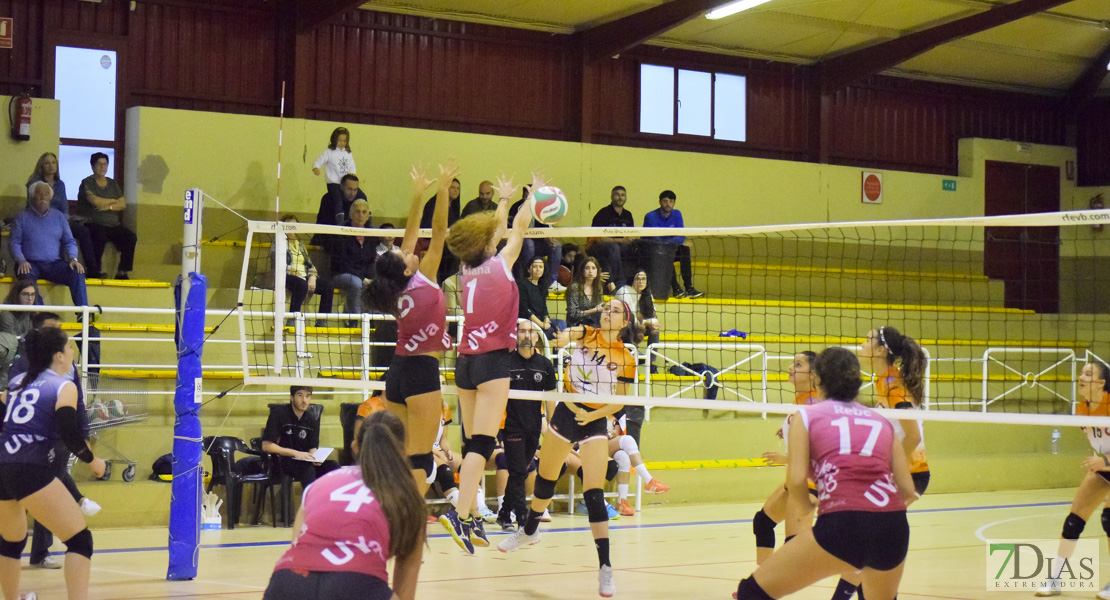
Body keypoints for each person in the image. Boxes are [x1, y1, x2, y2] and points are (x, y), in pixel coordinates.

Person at [735, 347, 917, 600]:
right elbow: (908, 490)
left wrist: (808, 505)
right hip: (894, 527)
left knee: (751, 593)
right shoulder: (881, 420)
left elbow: (797, 479)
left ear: (818, 380)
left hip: (844, 522)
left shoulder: (807, 416)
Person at [498, 298, 643, 598]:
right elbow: (576, 331)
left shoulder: (627, 358)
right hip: (565, 413)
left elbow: (620, 401)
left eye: (614, 310)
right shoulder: (588, 334)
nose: (607, 312)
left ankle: (605, 568)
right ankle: (529, 530)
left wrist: (592, 415)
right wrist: (564, 335)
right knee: (545, 480)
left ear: (624, 322)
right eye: (605, 308)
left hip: (592, 421)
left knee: (594, 493)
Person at [438, 173, 535, 555]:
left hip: (465, 362)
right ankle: (461, 514)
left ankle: (474, 517)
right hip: (493, 361)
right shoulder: (501, 266)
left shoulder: (465, 270)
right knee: (482, 441)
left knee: (472, 440)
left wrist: (504, 200)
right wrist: (528, 197)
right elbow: (518, 230)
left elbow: (495, 232)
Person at [363, 161, 458, 493]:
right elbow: (440, 230)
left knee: (404, 456)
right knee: (420, 459)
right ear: (405, 270)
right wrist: (443, 190)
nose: (410, 252)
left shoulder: (396, 285)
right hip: (421, 371)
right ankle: (409, 526)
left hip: (397, 373)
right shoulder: (426, 277)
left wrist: (418, 194)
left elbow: (412, 231)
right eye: (406, 256)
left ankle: (389, 521)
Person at [262, 411, 424, 600]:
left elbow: (297, 541)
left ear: (355, 447)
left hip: (287, 582)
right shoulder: (408, 497)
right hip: (354, 584)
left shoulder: (318, 485)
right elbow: (406, 587)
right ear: (406, 451)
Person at [0, 327, 107, 600]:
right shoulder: (63, 386)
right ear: (58, 356)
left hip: (3, 465)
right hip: (30, 467)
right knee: (80, 541)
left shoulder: (17, 382)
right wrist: (94, 463)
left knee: (11, 542)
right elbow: (70, 434)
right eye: (70, 348)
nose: (72, 353)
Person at [1034, 362, 1110, 597]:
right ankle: (1055, 579)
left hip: (1106, 465)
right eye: (1081, 373)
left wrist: (1106, 462)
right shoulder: (1081, 410)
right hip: (1104, 468)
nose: (1081, 377)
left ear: (1101, 383)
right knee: (1073, 522)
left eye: (1088, 374)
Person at [752, 351, 820, 565]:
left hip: (811, 482)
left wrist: (786, 458)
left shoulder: (815, 403)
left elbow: (820, 450)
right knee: (762, 522)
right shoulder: (801, 400)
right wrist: (787, 429)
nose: (791, 367)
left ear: (814, 374)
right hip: (797, 479)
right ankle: (762, 580)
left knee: (796, 544)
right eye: (793, 363)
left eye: (798, 365)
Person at [497, 320, 556, 531]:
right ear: (516, 335)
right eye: (522, 331)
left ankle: (504, 513)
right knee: (518, 472)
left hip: (533, 428)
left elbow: (550, 398)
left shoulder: (545, 365)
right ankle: (522, 518)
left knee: (520, 470)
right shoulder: (506, 362)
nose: (526, 335)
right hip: (511, 426)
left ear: (537, 337)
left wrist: (553, 427)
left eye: (531, 332)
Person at [12, 182, 89, 308]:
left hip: (55, 264)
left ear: (51, 197)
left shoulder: (59, 217)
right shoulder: (22, 217)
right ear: (32, 197)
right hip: (30, 264)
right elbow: (15, 243)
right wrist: (21, 260)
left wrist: (73, 259)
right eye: (39, 194)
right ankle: (41, 317)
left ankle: (84, 317)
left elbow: (69, 241)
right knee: (26, 277)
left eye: (46, 194)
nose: (43, 197)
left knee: (77, 272)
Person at [26, 152, 97, 278]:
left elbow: (64, 208)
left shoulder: (60, 184)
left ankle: (92, 269)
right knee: (54, 234)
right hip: (39, 219)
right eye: (47, 163)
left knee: (83, 231)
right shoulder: (34, 183)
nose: (51, 166)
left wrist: (61, 221)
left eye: (53, 162)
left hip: (59, 220)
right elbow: (32, 206)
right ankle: (58, 264)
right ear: (41, 166)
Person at [261, 386, 339, 489]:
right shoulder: (279, 414)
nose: (304, 400)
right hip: (281, 461)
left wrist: (314, 458)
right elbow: (266, 445)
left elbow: (312, 446)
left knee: (333, 466)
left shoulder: (311, 419)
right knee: (306, 468)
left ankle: (334, 502)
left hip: (303, 461)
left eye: (308, 396)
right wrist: (296, 453)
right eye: (300, 395)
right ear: (291, 397)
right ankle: (310, 503)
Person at [76, 152, 137, 280]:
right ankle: (95, 271)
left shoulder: (112, 183)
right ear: (92, 166)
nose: (102, 167)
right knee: (99, 236)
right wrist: (113, 201)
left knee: (130, 237)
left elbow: (123, 204)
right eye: (99, 164)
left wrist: (107, 206)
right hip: (93, 222)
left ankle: (122, 272)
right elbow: (96, 202)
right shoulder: (87, 182)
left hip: (113, 224)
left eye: (105, 164)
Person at [275, 215, 333, 326]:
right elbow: (277, 264)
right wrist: (295, 273)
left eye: (294, 225)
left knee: (328, 286)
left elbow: (309, 263)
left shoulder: (300, 244)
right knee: (301, 284)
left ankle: (322, 321)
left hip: (303, 275)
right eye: (289, 225)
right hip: (287, 275)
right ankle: (292, 319)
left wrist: (312, 277)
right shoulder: (278, 242)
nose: (292, 228)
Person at [643, 190, 702, 298]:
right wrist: (671, 243)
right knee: (665, 253)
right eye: (665, 201)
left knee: (684, 249)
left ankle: (689, 288)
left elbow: (681, 235)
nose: (668, 204)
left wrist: (670, 244)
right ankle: (676, 289)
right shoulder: (650, 216)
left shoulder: (677, 214)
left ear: (674, 203)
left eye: (671, 201)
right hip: (652, 253)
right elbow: (655, 240)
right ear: (660, 202)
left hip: (669, 248)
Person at [608, 418, 669, 516]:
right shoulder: (591, 407)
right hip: (590, 445)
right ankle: (649, 481)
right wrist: (608, 434)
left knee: (624, 458)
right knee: (628, 440)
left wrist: (614, 433)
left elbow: (617, 430)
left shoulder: (617, 411)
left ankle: (621, 502)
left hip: (609, 446)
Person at [331, 199, 376, 322]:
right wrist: (363, 278)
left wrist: (371, 279)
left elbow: (371, 261)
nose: (360, 215)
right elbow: (341, 263)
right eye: (357, 212)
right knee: (356, 283)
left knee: (378, 284)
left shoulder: (372, 234)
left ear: (368, 216)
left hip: (363, 275)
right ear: (351, 215)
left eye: (364, 212)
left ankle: (374, 323)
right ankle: (353, 321)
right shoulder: (341, 232)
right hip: (340, 274)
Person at [587, 186, 636, 292]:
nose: (620, 197)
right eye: (617, 194)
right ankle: (618, 283)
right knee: (614, 248)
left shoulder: (628, 215)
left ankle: (635, 285)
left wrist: (628, 241)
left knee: (637, 248)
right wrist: (621, 241)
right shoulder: (603, 213)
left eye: (623, 195)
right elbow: (599, 239)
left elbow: (630, 237)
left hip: (619, 246)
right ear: (612, 196)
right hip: (596, 247)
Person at [420, 177, 461, 284]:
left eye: (458, 188)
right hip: (433, 243)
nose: (455, 190)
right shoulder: (433, 204)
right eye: (452, 187)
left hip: (449, 243)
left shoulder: (454, 206)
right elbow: (428, 226)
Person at [312, 173, 368, 248]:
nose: (352, 193)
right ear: (341, 187)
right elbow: (324, 225)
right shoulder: (328, 199)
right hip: (327, 241)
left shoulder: (361, 199)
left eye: (355, 190)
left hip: (351, 242)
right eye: (349, 189)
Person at [0, 280, 38, 390]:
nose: (30, 298)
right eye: (26, 294)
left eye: (32, 295)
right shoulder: (6, 313)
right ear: (17, 295)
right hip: (8, 363)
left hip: (26, 361)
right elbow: (12, 346)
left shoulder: (35, 314)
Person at [518, 257, 562, 339]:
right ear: (528, 269)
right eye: (535, 267)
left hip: (541, 320)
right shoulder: (522, 284)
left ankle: (558, 352)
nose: (538, 269)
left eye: (541, 267)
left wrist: (546, 318)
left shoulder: (542, 286)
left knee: (561, 325)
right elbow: (525, 310)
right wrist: (541, 324)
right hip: (528, 321)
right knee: (555, 334)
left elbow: (544, 307)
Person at [311, 127, 357, 204]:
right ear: (334, 140)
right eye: (339, 140)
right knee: (338, 200)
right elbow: (319, 160)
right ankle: (339, 215)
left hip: (345, 184)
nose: (342, 143)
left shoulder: (348, 153)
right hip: (334, 184)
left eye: (344, 141)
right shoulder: (329, 152)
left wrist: (352, 175)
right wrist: (316, 167)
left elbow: (352, 165)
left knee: (360, 196)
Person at [565, 256, 606, 329]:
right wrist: (594, 310)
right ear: (582, 270)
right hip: (576, 324)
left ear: (597, 271)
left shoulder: (598, 288)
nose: (590, 271)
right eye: (587, 268)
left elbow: (600, 310)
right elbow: (573, 314)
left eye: (593, 268)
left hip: (593, 323)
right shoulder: (575, 287)